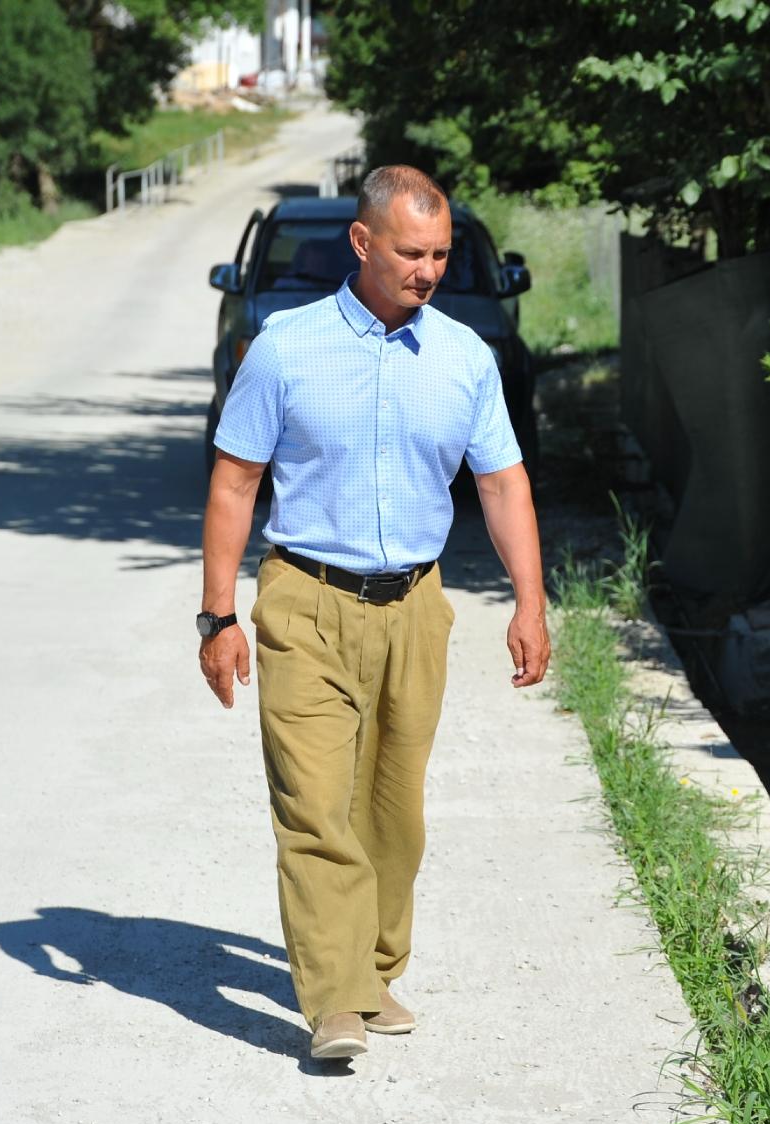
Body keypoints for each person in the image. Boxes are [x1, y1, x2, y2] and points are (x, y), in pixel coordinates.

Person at [196, 165, 550, 1061]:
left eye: (438, 254)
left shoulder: (465, 357)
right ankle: (332, 1000)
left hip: (415, 608)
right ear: (362, 243)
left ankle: (374, 969)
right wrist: (217, 616)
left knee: (392, 814)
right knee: (315, 808)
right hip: (304, 601)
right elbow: (235, 481)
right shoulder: (283, 346)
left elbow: (503, 484)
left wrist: (530, 603)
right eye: (410, 252)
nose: (429, 270)